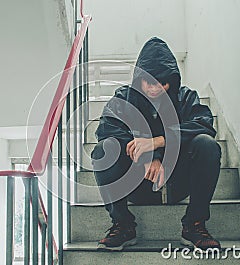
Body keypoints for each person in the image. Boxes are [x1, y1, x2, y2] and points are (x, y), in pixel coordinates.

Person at [91, 37, 222, 251]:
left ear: (172, 79)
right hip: (137, 183)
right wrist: (147, 157)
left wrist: (158, 142)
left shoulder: (185, 97)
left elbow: (204, 125)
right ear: (139, 78)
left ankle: (194, 224)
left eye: (162, 82)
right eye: (149, 81)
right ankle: (122, 224)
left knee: (206, 144)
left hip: (178, 182)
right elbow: (107, 129)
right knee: (103, 149)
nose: (155, 88)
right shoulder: (124, 99)